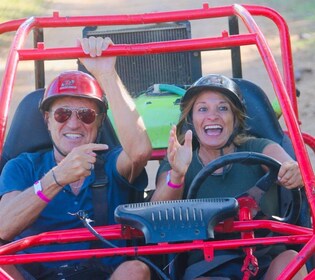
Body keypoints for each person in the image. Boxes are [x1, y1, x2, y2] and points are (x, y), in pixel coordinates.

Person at [0, 37, 152, 279]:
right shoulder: (22, 166)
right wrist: (57, 178)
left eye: (86, 114)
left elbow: (140, 151)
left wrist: (106, 75)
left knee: (135, 269)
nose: (73, 123)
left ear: (100, 122)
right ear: (47, 120)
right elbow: (4, 226)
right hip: (38, 275)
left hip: (103, 273)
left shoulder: (110, 163)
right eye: (62, 114)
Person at [151, 74, 307, 280]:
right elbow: (157, 211)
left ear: (235, 118)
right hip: (208, 267)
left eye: (222, 108)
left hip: (263, 258)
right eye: (203, 109)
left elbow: (290, 166)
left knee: (291, 260)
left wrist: (294, 171)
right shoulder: (180, 159)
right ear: (191, 120)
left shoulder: (257, 147)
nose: (212, 116)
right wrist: (178, 174)